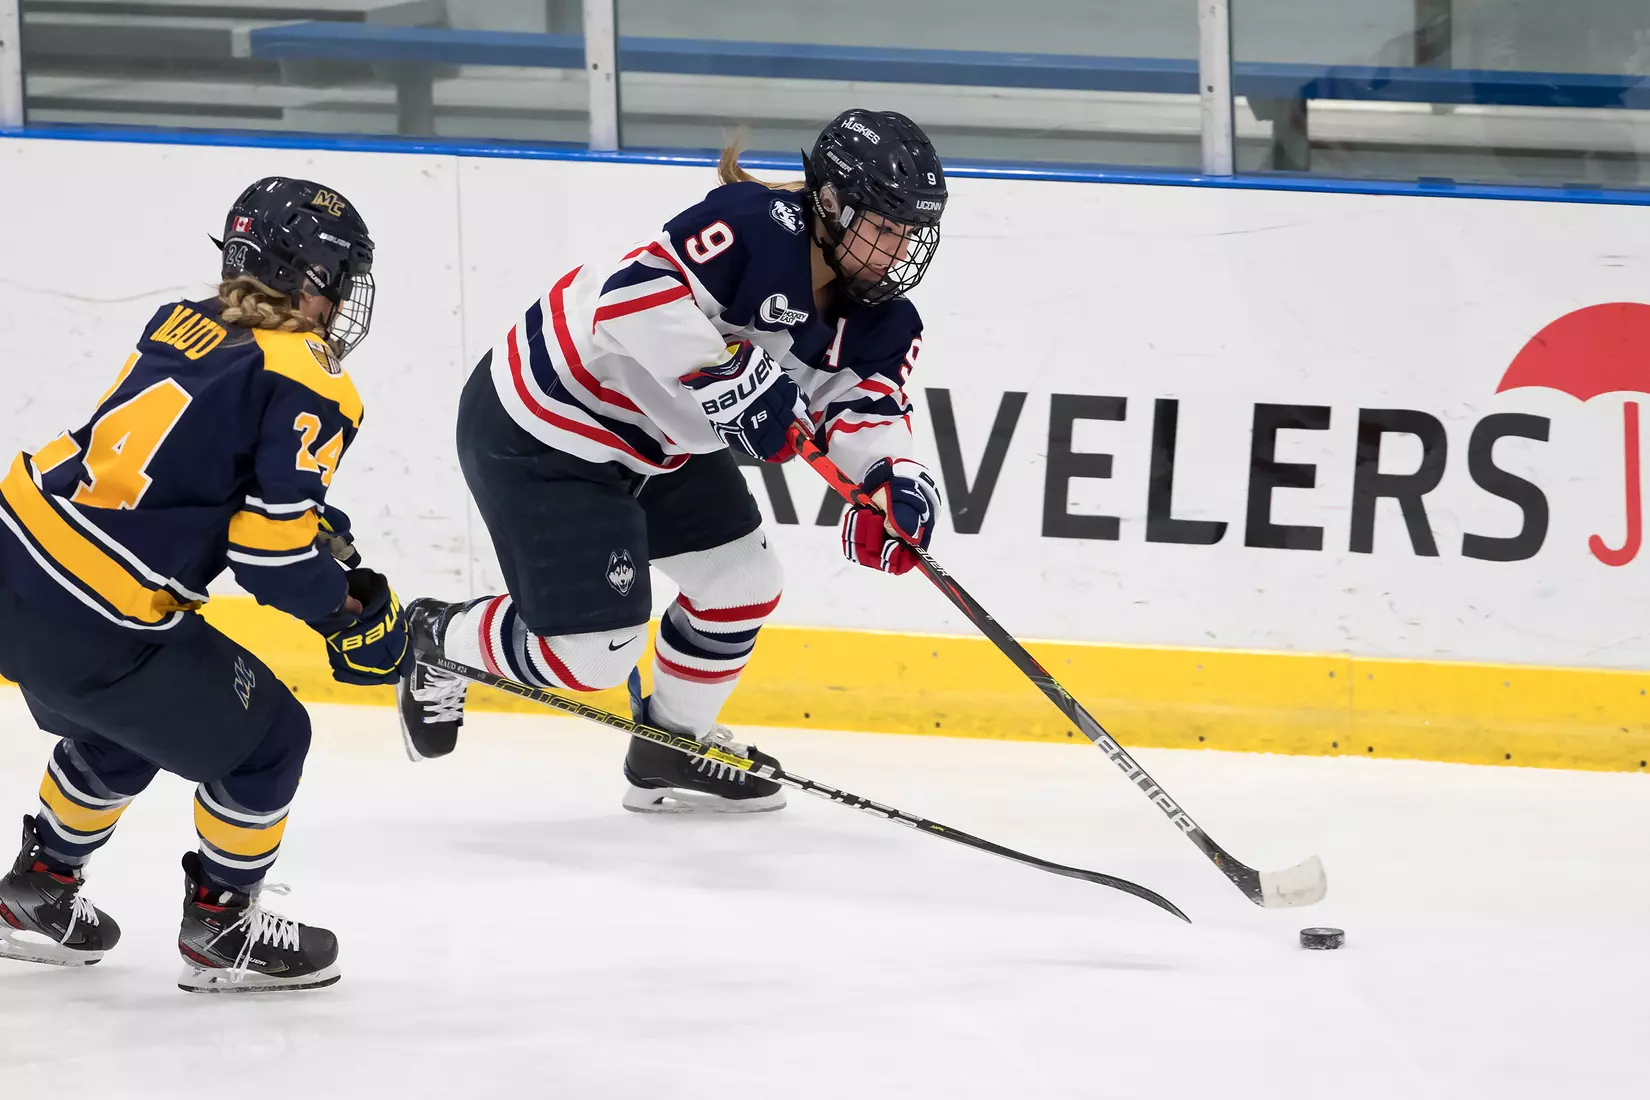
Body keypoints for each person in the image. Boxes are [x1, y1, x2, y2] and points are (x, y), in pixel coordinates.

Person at [398, 109, 947, 813]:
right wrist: (728, 378)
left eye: (911, 232)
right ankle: (439, 637)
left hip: (656, 442)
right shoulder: (751, 225)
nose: (897, 250)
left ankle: (670, 747)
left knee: (743, 581)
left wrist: (892, 481)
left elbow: (864, 408)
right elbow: (627, 298)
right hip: (549, 423)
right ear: (833, 204)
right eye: (885, 226)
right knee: (594, 656)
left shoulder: (882, 318)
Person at [0, 178, 410, 991]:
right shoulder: (311, 376)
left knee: (126, 729)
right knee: (271, 742)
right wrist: (344, 611)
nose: (340, 302)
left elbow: (177, 466)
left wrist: (295, 523)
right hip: (98, 616)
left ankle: (37, 889)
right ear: (312, 276)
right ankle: (223, 928)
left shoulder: (186, 321)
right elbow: (268, 561)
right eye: (338, 279)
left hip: (14, 566)